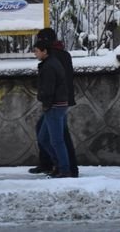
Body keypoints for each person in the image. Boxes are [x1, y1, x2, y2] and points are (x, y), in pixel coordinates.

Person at [29, 28, 79, 177]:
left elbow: (53, 84)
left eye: (37, 48)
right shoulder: (62, 55)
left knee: (59, 138)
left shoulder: (53, 59)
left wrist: (48, 101)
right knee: (45, 134)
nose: (35, 52)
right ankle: (54, 165)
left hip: (56, 103)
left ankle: (66, 168)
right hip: (61, 101)